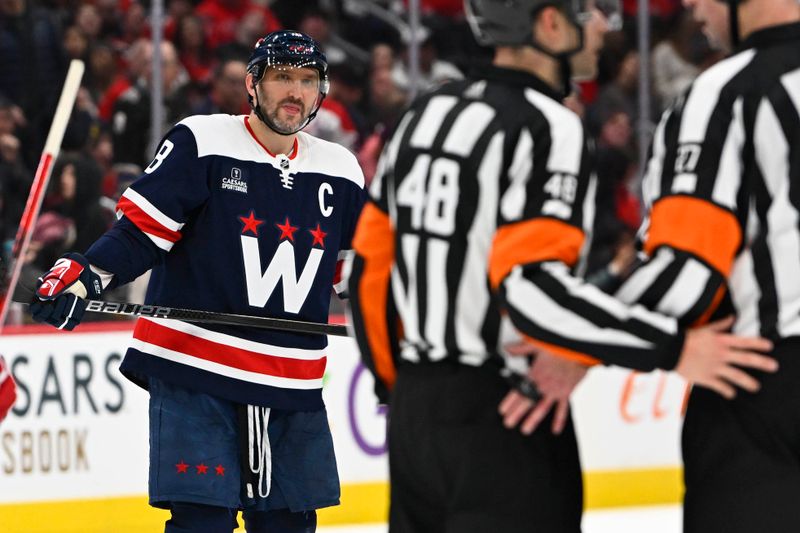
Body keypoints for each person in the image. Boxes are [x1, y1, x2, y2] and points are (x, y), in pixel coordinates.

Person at [345, 0, 777, 531]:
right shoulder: (549, 122)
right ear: (550, 23)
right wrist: (672, 345)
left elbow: (369, 267)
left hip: (415, 415)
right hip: (507, 411)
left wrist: (405, 389)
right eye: (589, 13)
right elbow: (529, 285)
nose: (601, 27)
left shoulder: (425, 113)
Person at [30, 30, 366, 533]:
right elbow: (143, 233)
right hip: (197, 369)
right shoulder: (202, 141)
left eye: (307, 80)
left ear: (321, 91)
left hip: (290, 380)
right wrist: (87, 276)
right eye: (281, 78)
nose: (294, 92)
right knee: (200, 523)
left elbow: (358, 274)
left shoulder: (341, 170)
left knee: (289, 526)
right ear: (253, 84)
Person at [613, 0, 800, 530]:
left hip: (761, 382)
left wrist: (574, 336)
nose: (693, 5)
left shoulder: (723, 94)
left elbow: (688, 270)